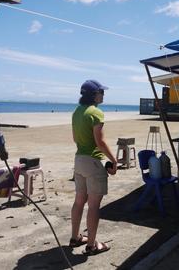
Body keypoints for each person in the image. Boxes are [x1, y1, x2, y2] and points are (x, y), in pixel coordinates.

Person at [69, 79, 117, 255]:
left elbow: (75, 139)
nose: (103, 95)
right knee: (94, 205)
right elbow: (100, 142)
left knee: (79, 200)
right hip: (93, 162)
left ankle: (75, 238)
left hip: (79, 160)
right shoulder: (96, 113)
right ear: (93, 95)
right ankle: (91, 245)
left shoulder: (77, 112)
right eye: (101, 92)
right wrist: (114, 160)